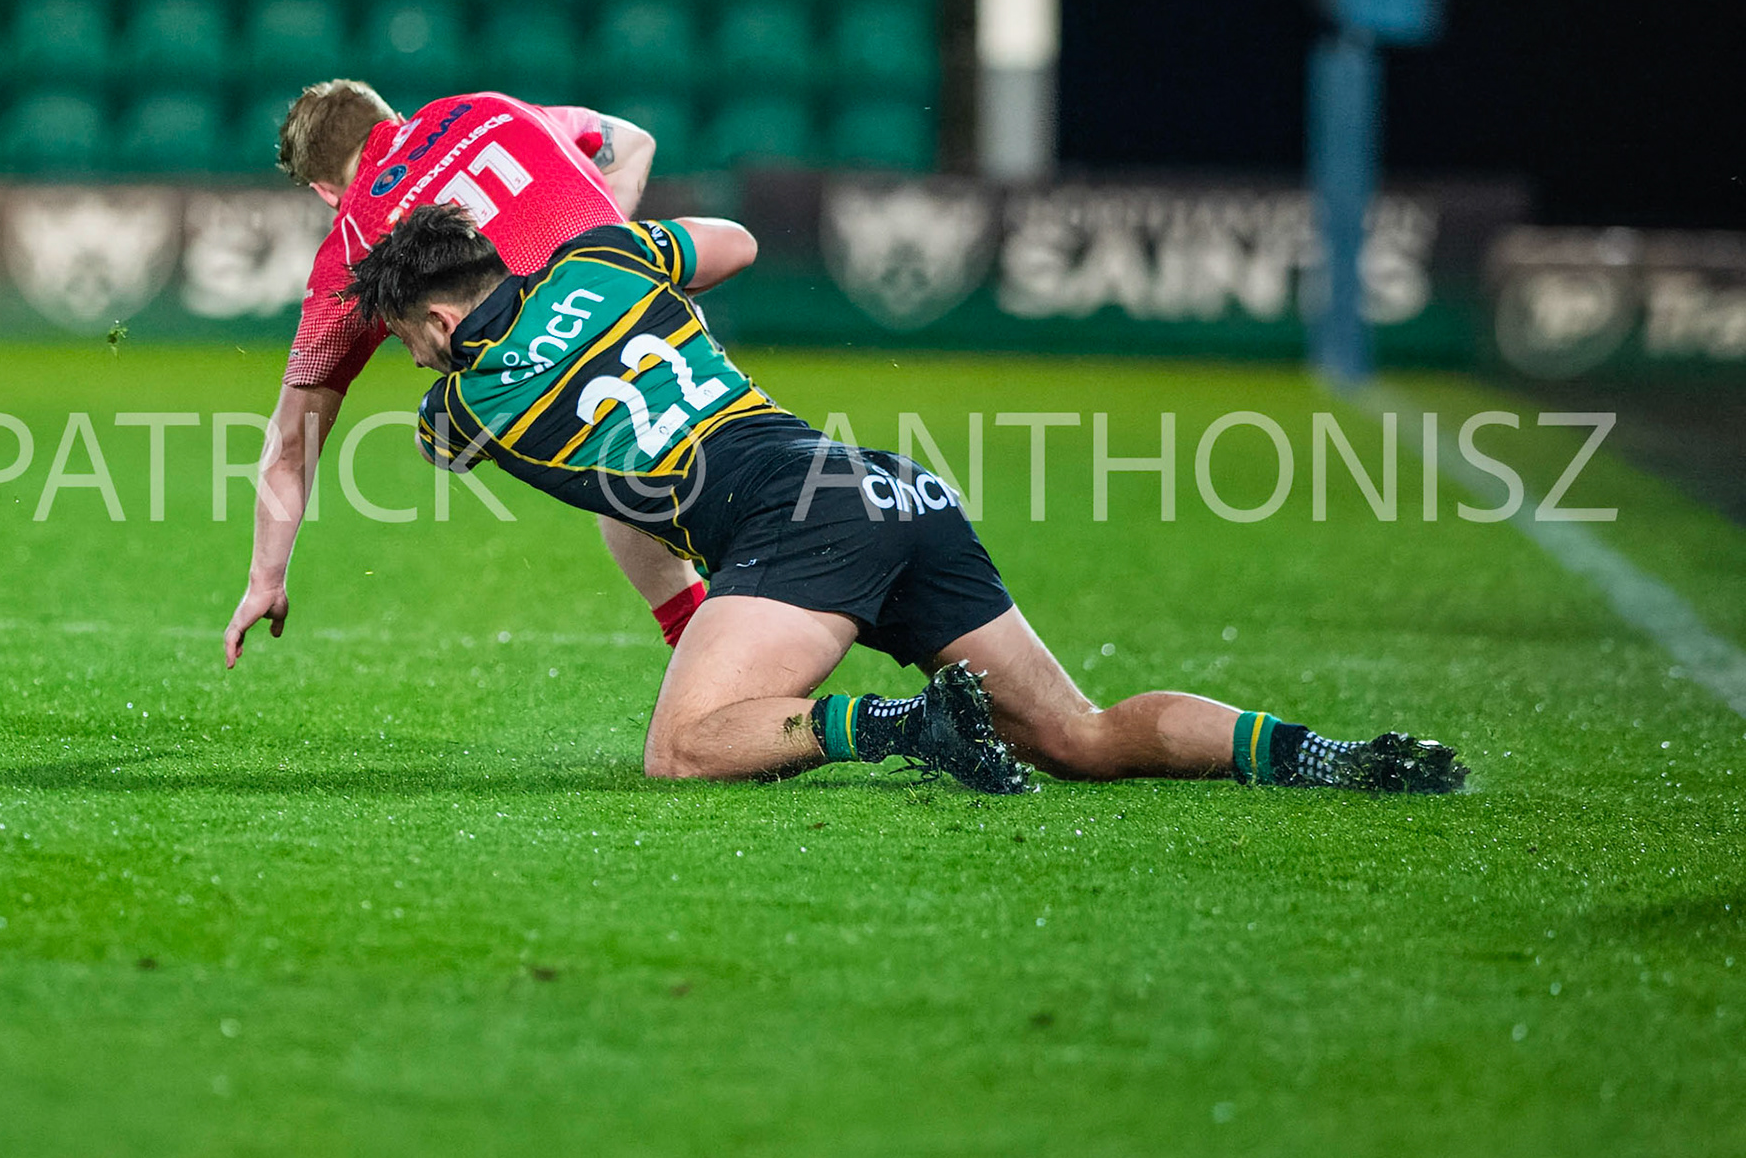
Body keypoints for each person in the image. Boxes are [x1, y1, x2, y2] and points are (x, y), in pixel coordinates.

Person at [342, 201, 1470, 796]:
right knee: (1075, 735)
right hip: (875, 477)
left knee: (681, 751)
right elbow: (729, 243)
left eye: (407, 340)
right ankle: (1317, 752)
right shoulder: (608, 258)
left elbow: (449, 435)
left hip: (787, 518)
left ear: (436, 325)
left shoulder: (464, 401)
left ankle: (904, 723)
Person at [222, 80, 715, 671]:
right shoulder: (484, 108)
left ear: (327, 191)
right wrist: (600, 263)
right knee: (725, 474)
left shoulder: (352, 245)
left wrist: (265, 579)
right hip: (659, 325)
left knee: (608, 471)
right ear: (392, 118)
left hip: (557, 384)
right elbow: (631, 143)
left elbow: (292, 445)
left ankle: (707, 651)